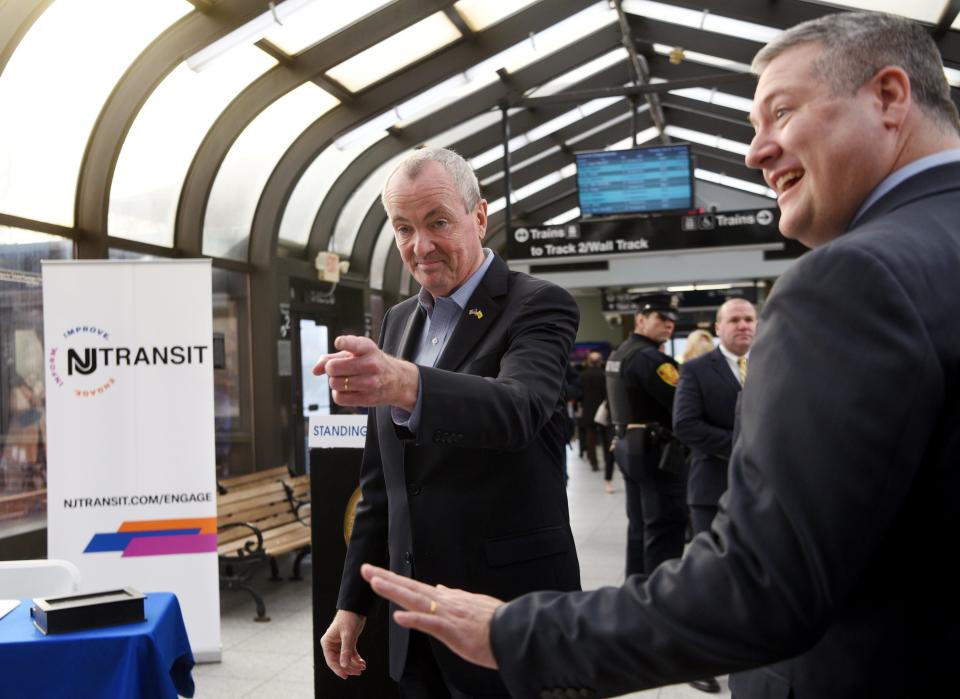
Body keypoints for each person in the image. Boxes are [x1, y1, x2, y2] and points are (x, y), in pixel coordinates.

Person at [360, 12, 960, 698]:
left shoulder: (857, 280)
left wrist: (512, 631)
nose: (755, 151)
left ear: (888, 97)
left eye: (782, 113)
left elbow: (760, 585)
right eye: (404, 228)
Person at [314, 146, 581, 698]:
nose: (421, 246)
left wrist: (405, 383)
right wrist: (352, 603)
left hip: (511, 609)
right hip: (415, 619)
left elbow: (518, 409)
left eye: (438, 222)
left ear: (479, 216)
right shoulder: (398, 321)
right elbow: (381, 484)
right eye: (403, 228)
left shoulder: (538, 305)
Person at [672, 298, 757, 694]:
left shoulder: (774, 361)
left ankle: (747, 652)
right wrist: (746, 445)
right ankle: (693, 659)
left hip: (764, 493)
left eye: (749, 319)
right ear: (718, 327)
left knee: (754, 578)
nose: (743, 326)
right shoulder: (694, 370)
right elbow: (686, 424)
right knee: (710, 578)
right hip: (712, 489)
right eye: (734, 320)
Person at [605, 303, 686, 577]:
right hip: (655, 451)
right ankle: (661, 597)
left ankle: (636, 588)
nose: (669, 324)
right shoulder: (651, 359)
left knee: (639, 527)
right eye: (661, 318)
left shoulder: (620, 352)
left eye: (672, 320)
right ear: (640, 320)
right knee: (663, 527)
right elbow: (682, 402)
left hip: (629, 445)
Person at [577, 351, 607, 474]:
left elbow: (579, 394)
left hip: (588, 410)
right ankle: (608, 460)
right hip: (604, 410)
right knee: (606, 438)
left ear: (589, 361)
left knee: (591, 438)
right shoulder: (604, 375)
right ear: (600, 361)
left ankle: (593, 463)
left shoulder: (583, 375)